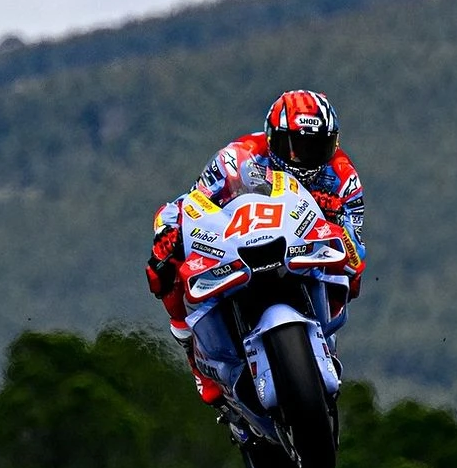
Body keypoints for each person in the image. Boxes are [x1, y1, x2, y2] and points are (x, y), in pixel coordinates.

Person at [145, 89, 366, 406]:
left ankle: (322, 344)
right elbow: (192, 201)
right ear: (274, 138)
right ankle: (200, 365)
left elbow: (354, 253)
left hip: (302, 252)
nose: (307, 157)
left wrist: (332, 219)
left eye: (318, 146)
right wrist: (168, 232)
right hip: (243, 243)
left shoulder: (343, 177)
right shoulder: (238, 156)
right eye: (298, 146)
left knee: (350, 279)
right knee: (167, 273)